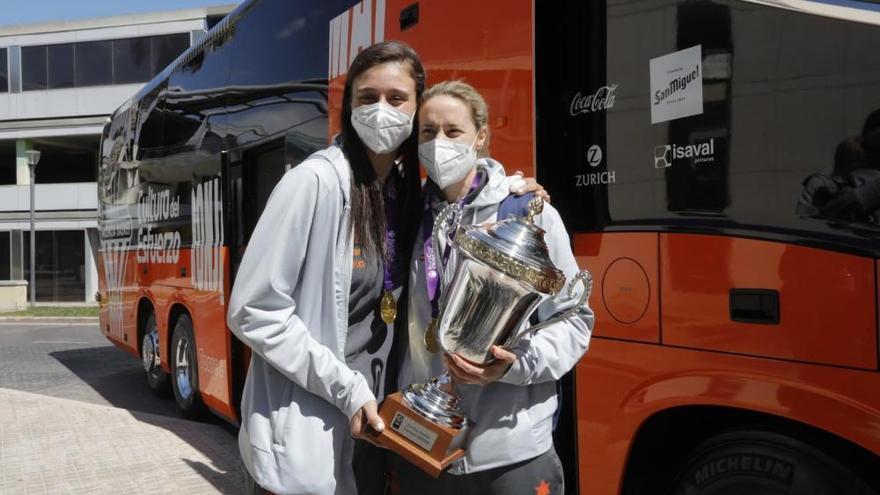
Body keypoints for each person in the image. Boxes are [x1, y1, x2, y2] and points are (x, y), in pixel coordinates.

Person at [227, 42, 546, 495]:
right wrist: (347, 389)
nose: (382, 110)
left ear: (416, 111)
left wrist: (511, 188)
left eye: (397, 99)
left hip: (377, 432)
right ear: (348, 106)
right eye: (366, 97)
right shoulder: (313, 183)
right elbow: (253, 310)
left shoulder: (405, 195)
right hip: (314, 429)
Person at [391, 80, 594, 495]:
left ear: (480, 136)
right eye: (428, 133)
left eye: (453, 131)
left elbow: (574, 322)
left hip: (509, 454)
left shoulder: (527, 212)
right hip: (423, 445)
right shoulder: (408, 218)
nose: (439, 142)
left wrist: (513, 366)